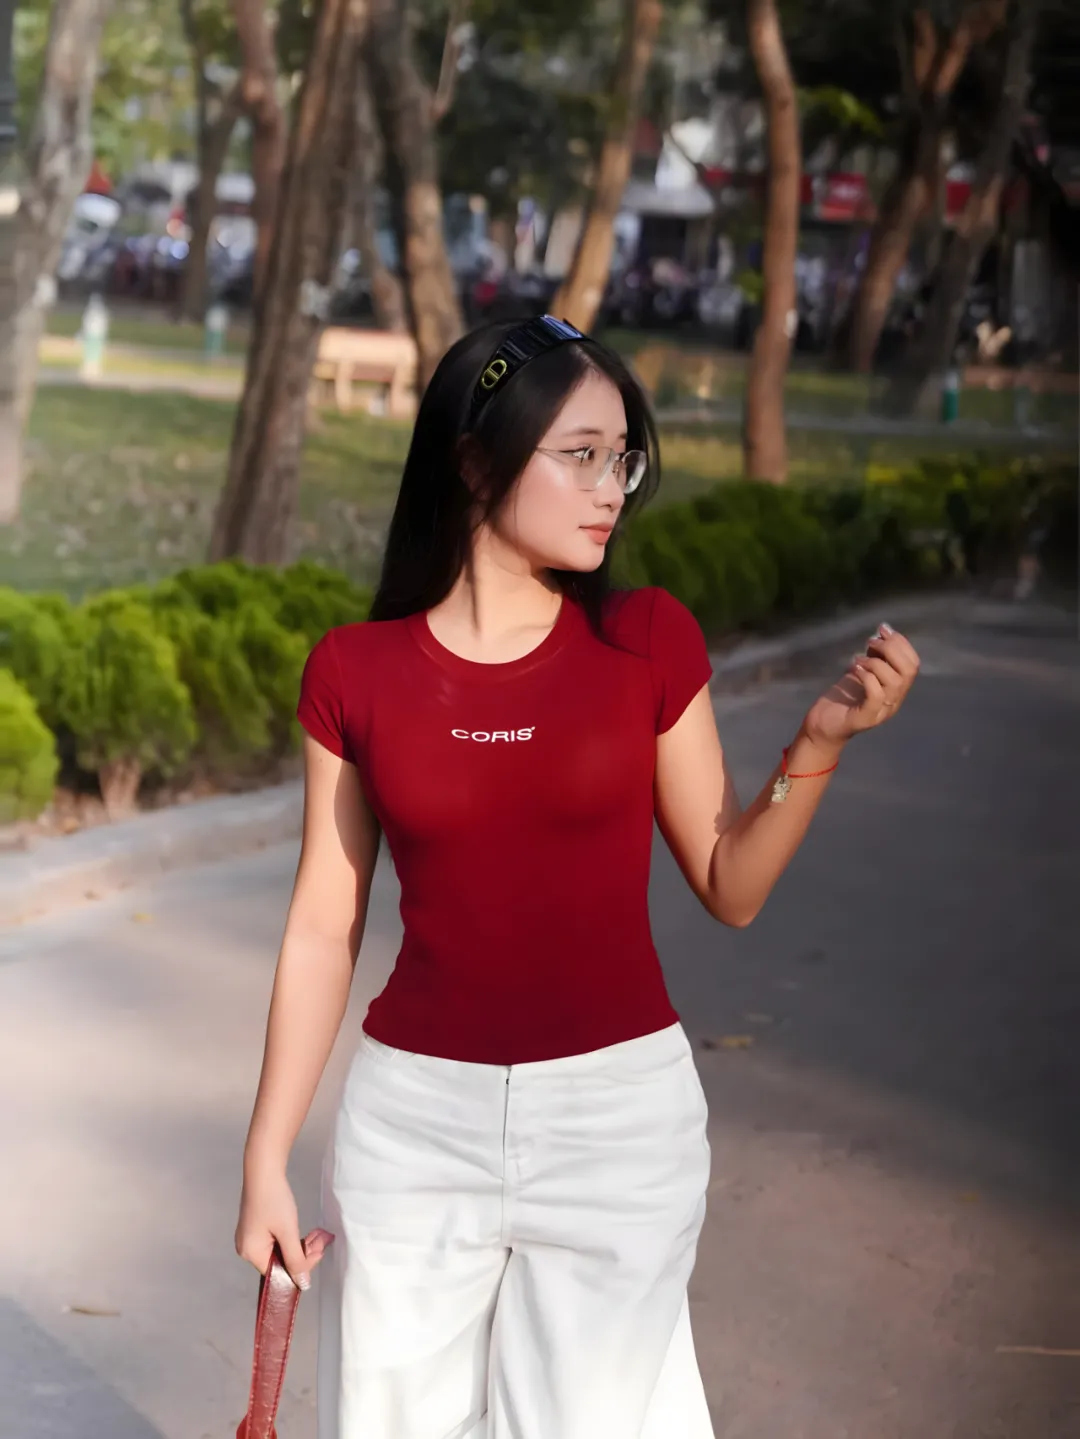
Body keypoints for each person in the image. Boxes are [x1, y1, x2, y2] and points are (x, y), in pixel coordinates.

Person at [235, 315, 920, 1438]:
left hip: (617, 1122)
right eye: (583, 454)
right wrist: (266, 1155)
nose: (613, 489)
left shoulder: (644, 639)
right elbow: (323, 921)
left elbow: (730, 881)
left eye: (623, 459)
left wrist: (818, 744)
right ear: (475, 463)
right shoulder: (355, 671)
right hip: (413, 1127)